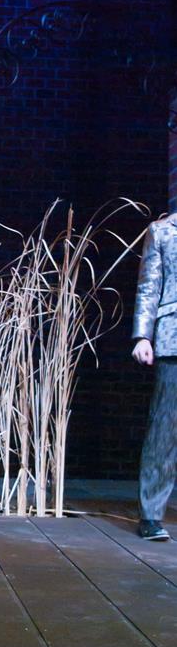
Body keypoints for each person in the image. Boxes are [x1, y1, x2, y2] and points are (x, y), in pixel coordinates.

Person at [132, 212, 177, 541]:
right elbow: (149, 285)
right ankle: (151, 515)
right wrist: (142, 336)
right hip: (172, 337)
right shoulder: (162, 232)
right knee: (165, 429)